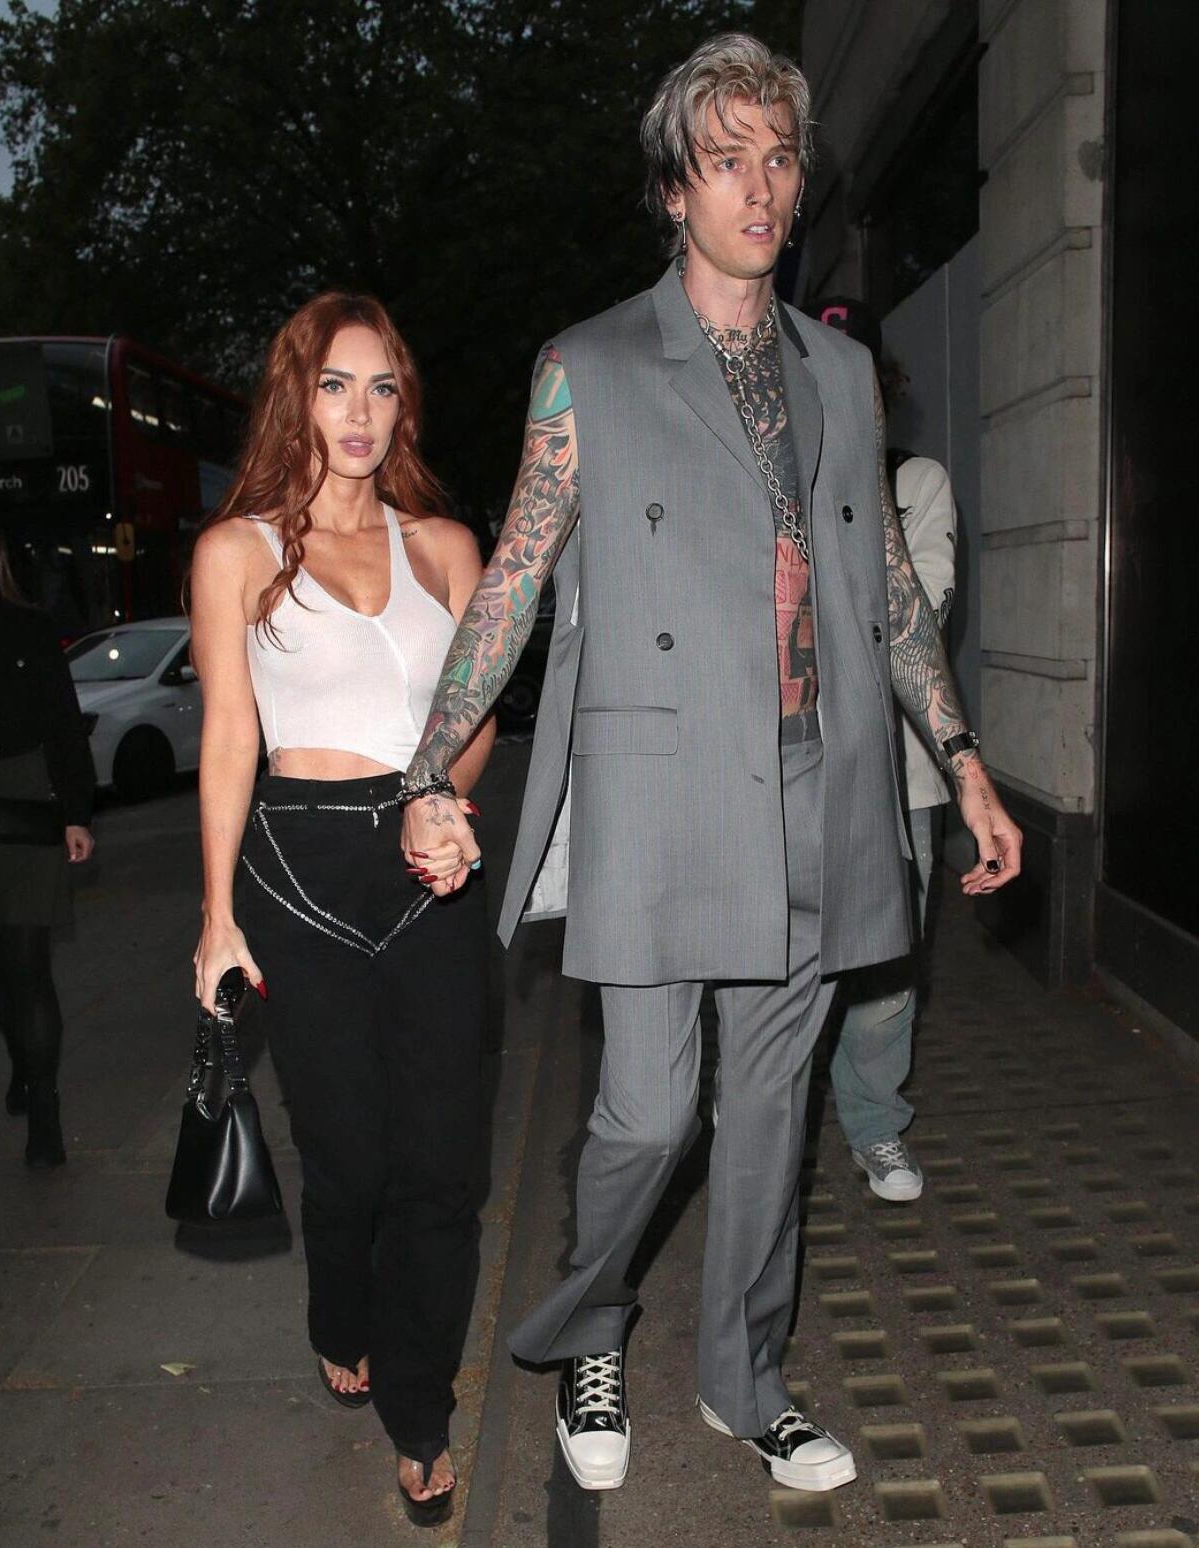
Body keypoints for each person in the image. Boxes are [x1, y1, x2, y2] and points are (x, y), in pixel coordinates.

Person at [399, 32, 1021, 1496]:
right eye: (726, 158)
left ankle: (746, 1380)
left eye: (779, 156)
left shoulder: (841, 374)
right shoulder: (592, 366)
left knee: (768, 1122)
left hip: (818, 788)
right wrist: (431, 767)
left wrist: (966, 763)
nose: (760, 185)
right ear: (674, 189)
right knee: (649, 1112)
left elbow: (885, 591)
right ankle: (590, 1321)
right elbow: (517, 576)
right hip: (661, 796)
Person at [188, 294, 494, 1527]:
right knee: (351, 1163)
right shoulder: (238, 551)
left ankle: (420, 1416)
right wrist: (215, 915)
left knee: (443, 1169)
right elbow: (228, 737)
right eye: (333, 385)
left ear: (402, 405)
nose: (359, 412)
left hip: (429, 865)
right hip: (299, 874)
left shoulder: (448, 547)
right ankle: (338, 1312)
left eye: (381, 387)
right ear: (296, 397)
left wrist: (442, 798)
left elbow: (472, 716)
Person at [813, 297, 957, 1202]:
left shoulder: (917, 482)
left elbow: (920, 617)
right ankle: (758, 1116)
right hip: (784, 768)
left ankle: (873, 1123)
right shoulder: (758, 477)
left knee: (889, 972)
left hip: (902, 774)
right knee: (774, 960)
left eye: (854, 370)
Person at [0, 484, 95, 1168]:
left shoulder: (28, 625)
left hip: (27, 797)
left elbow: (64, 722)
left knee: (27, 961)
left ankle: (45, 1110)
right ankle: (23, 1057)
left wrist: (76, 813)